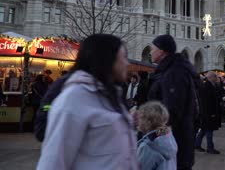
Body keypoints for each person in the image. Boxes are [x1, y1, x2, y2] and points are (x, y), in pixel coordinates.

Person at [37, 34, 138, 169]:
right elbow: (53, 162)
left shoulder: (111, 94)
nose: (127, 63)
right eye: (123, 57)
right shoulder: (74, 98)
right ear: (108, 59)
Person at [147, 34, 197, 170]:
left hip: (174, 144)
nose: (150, 52)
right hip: (175, 142)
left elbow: (171, 113)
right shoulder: (171, 71)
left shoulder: (174, 73)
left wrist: (150, 133)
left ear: (162, 51)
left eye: (153, 49)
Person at [137, 101, 177, 170]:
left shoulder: (148, 146)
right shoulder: (167, 139)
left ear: (148, 122)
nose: (138, 121)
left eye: (140, 118)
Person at [194, 71, 222, 154]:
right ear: (211, 77)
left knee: (204, 129)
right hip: (208, 112)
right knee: (209, 130)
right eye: (215, 77)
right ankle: (210, 147)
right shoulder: (207, 86)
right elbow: (207, 101)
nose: (217, 78)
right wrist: (212, 113)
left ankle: (197, 144)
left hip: (206, 112)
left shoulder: (208, 85)